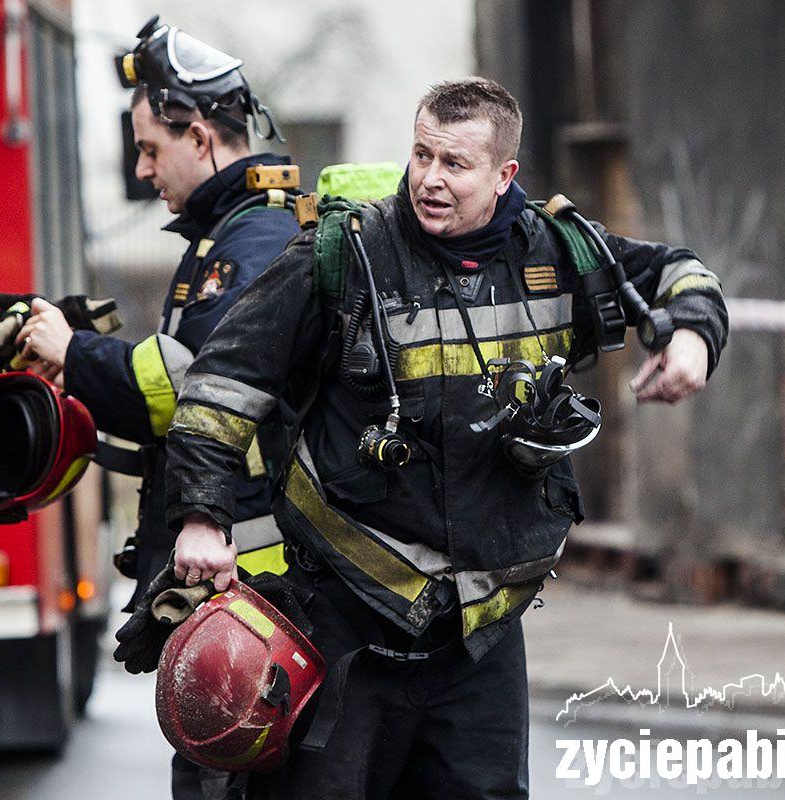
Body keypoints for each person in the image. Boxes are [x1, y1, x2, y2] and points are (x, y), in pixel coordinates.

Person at [158, 77, 728, 797]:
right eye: (422, 154)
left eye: (455, 165)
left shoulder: (558, 254)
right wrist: (202, 516)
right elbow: (220, 386)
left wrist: (693, 341)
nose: (429, 178)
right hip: (345, 626)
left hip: (479, 644)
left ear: (503, 175)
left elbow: (682, 271)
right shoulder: (346, 256)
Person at [7, 16, 300, 800]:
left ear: (200, 138)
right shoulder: (228, 237)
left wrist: (76, 352)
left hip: (256, 585)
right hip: (233, 584)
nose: (142, 172)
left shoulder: (257, 240)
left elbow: (178, 388)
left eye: (149, 149)